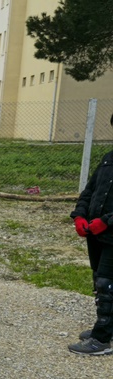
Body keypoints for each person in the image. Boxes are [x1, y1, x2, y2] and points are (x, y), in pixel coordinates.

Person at [68, 113, 113, 355]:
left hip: (109, 233)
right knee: (99, 281)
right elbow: (90, 190)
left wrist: (106, 221)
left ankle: (101, 340)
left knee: (107, 283)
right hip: (95, 233)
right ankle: (106, 327)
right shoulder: (108, 158)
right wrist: (79, 215)